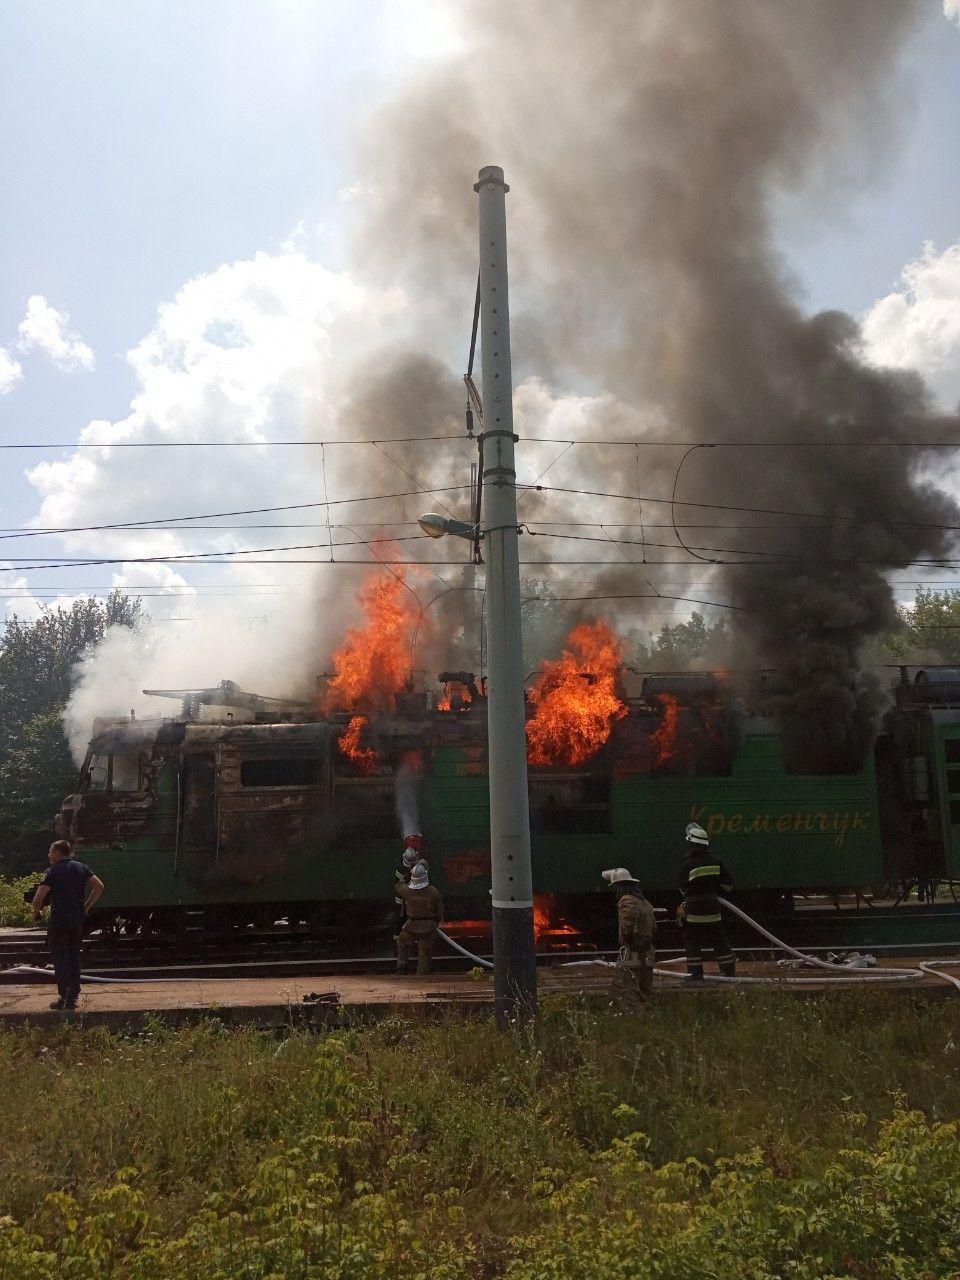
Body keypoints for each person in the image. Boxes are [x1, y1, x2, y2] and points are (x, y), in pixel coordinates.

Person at [30, 840, 104, 1011]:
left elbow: (38, 898)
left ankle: (64, 996)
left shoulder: (51, 871)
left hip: (59, 920)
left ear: (57, 853)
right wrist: (86, 906)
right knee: (73, 956)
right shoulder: (82, 868)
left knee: (60, 958)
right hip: (77, 920)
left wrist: (36, 912)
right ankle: (73, 996)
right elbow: (99, 886)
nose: (48, 855)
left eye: (50, 851)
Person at [678, 822, 735, 981]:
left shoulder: (687, 864)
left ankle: (696, 975)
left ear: (691, 843)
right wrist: (713, 891)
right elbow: (728, 885)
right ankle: (729, 972)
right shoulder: (716, 861)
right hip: (713, 909)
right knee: (720, 940)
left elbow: (683, 888)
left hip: (694, 910)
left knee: (692, 942)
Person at [602, 868, 657, 1006]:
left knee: (622, 989)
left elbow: (627, 926)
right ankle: (647, 1015)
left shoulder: (626, 900)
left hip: (632, 953)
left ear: (620, 886)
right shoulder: (646, 903)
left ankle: (634, 1016)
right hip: (647, 954)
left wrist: (627, 940)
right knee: (644, 992)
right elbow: (654, 928)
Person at [394, 861, 443, 975]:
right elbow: (439, 911)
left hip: (411, 926)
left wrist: (405, 876)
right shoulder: (433, 891)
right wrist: (435, 922)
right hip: (428, 927)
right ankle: (422, 976)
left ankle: (402, 965)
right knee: (424, 954)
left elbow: (398, 886)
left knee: (401, 941)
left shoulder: (406, 891)